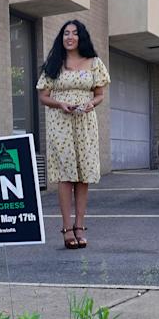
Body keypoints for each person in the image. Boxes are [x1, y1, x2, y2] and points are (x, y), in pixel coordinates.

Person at [36, 20, 110, 250]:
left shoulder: (94, 63)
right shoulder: (54, 63)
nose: (70, 37)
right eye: (66, 33)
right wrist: (60, 104)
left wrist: (91, 104)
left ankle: (80, 226)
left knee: (83, 173)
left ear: (81, 37)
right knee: (66, 174)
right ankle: (67, 228)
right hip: (60, 122)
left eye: (74, 33)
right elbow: (43, 96)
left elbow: (99, 94)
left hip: (85, 121)